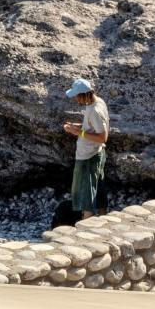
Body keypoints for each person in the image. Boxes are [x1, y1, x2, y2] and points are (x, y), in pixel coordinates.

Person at [62, 76, 109, 218]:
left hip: (89, 156)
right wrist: (77, 127)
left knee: (87, 194)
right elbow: (94, 128)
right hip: (97, 153)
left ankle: (85, 226)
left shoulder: (94, 110)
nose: (76, 99)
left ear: (84, 94)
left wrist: (78, 132)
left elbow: (102, 137)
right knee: (99, 190)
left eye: (77, 96)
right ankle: (104, 218)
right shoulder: (98, 102)